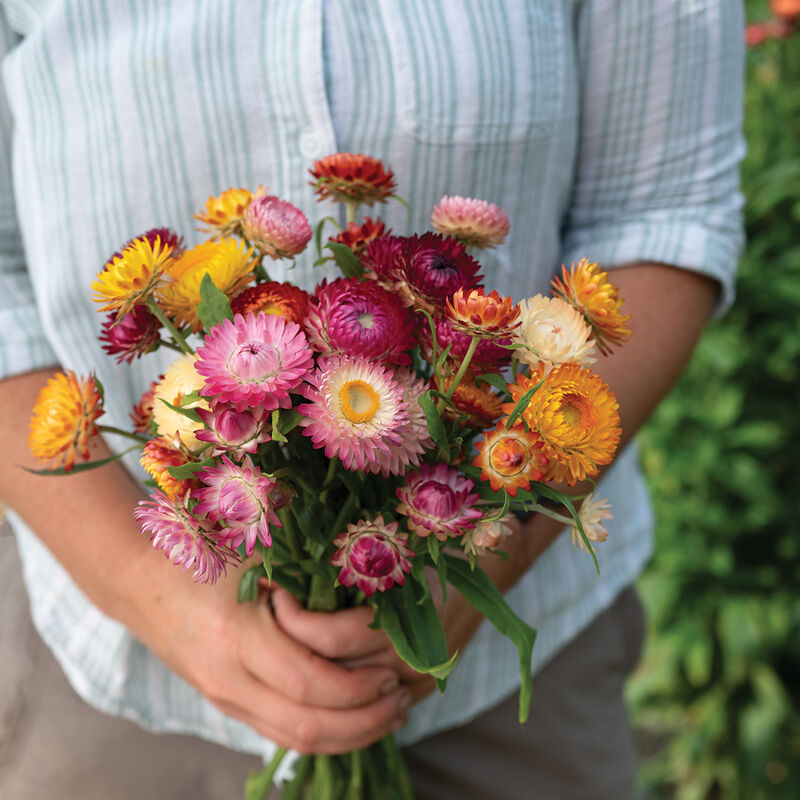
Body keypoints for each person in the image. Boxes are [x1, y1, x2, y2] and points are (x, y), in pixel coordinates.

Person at [0, 1, 744, 797]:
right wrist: (158, 595)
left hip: (503, 685)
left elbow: (667, 216)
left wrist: (496, 541)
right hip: (112, 672)